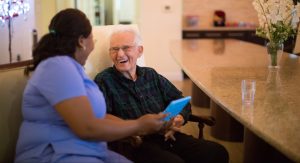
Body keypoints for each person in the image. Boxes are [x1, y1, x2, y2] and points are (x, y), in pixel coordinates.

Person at [14, 9, 166, 163]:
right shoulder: (58, 66)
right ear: (81, 41)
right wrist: (138, 125)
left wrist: (128, 129)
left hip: (86, 151)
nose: (94, 45)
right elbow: (87, 127)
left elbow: (96, 116)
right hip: (54, 154)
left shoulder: (73, 69)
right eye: (92, 38)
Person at [94, 27, 229, 162]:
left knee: (217, 152)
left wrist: (179, 119)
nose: (120, 54)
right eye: (115, 49)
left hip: (168, 135)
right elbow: (101, 118)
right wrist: (135, 130)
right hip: (136, 144)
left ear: (139, 51)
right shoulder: (104, 81)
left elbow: (180, 99)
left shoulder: (151, 75)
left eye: (126, 48)